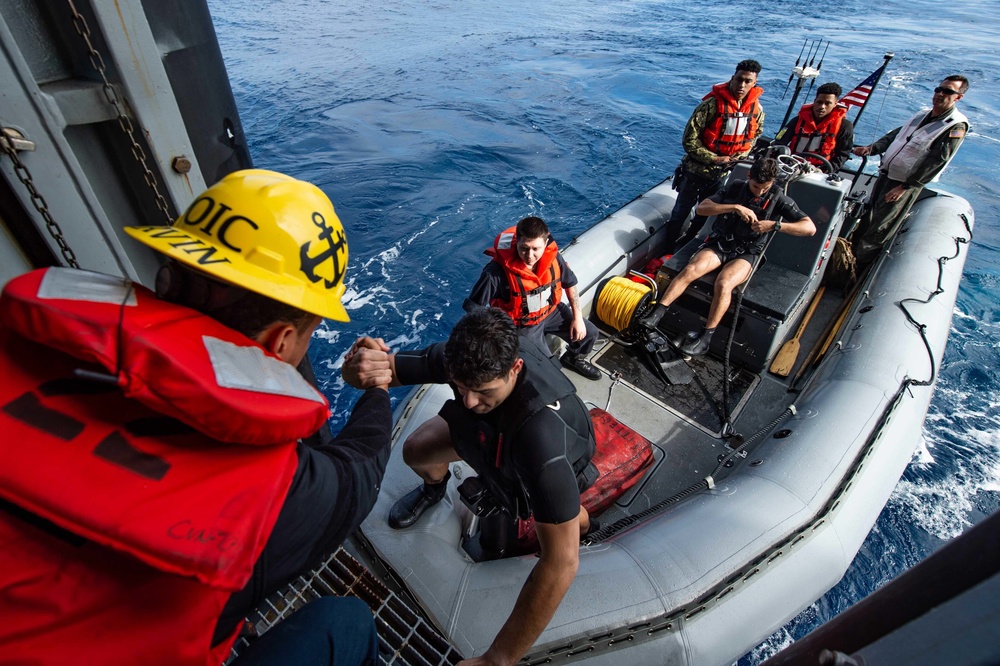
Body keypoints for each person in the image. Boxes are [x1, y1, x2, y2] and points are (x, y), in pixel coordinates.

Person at [0, 169, 393, 665]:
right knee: (347, 622)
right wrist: (377, 391)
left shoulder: (16, 346)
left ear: (169, 275)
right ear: (281, 342)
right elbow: (359, 473)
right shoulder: (275, 499)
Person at [344, 307, 597, 666]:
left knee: (558, 531)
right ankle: (434, 490)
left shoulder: (542, 442)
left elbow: (560, 565)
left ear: (515, 369)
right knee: (416, 451)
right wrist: (357, 365)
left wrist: (497, 659)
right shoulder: (458, 360)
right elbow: (379, 371)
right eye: (461, 388)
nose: (469, 401)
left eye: (482, 391)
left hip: (536, 453)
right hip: (490, 435)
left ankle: (583, 524)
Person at [640, 158, 815, 356]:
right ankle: (658, 313)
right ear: (749, 176)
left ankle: (705, 338)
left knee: (724, 284)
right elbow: (702, 208)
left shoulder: (780, 199)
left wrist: (774, 225)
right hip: (720, 244)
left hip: (748, 253)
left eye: (765, 188)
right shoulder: (734, 189)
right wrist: (734, 207)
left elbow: (809, 228)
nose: (759, 192)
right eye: (756, 186)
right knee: (691, 269)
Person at [850, 75, 970, 266]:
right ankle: (845, 257)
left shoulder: (955, 126)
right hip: (885, 175)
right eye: (938, 89)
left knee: (879, 229)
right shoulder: (921, 114)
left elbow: (936, 161)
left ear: (958, 97)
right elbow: (895, 136)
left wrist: (905, 187)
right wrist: (872, 149)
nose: (939, 94)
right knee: (867, 217)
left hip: (902, 184)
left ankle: (853, 273)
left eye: (947, 91)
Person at [464, 215, 602, 380]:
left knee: (590, 333)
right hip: (521, 325)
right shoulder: (496, 273)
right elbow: (474, 308)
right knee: (549, 368)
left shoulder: (554, 259)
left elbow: (570, 283)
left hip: (551, 312)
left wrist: (577, 318)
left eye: (536, 249)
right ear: (516, 244)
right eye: (524, 248)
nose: (529, 255)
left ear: (545, 243)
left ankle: (573, 358)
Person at [662, 59, 766, 254]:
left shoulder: (756, 110)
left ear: (754, 83)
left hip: (722, 176)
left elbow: (755, 136)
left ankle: (685, 249)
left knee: (703, 217)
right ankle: (666, 250)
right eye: (739, 80)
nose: (742, 85)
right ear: (732, 78)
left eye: (747, 81)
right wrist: (713, 158)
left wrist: (739, 156)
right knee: (679, 214)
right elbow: (689, 140)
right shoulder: (710, 106)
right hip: (696, 172)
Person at [773, 82, 855, 171]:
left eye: (827, 103)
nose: (822, 107)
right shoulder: (797, 120)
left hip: (822, 171)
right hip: (791, 166)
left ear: (835, 104)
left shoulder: (845, 126)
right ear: (815, 100)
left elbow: (842, 155)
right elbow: (779, 141)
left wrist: (824, 170)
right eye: (819, 102)